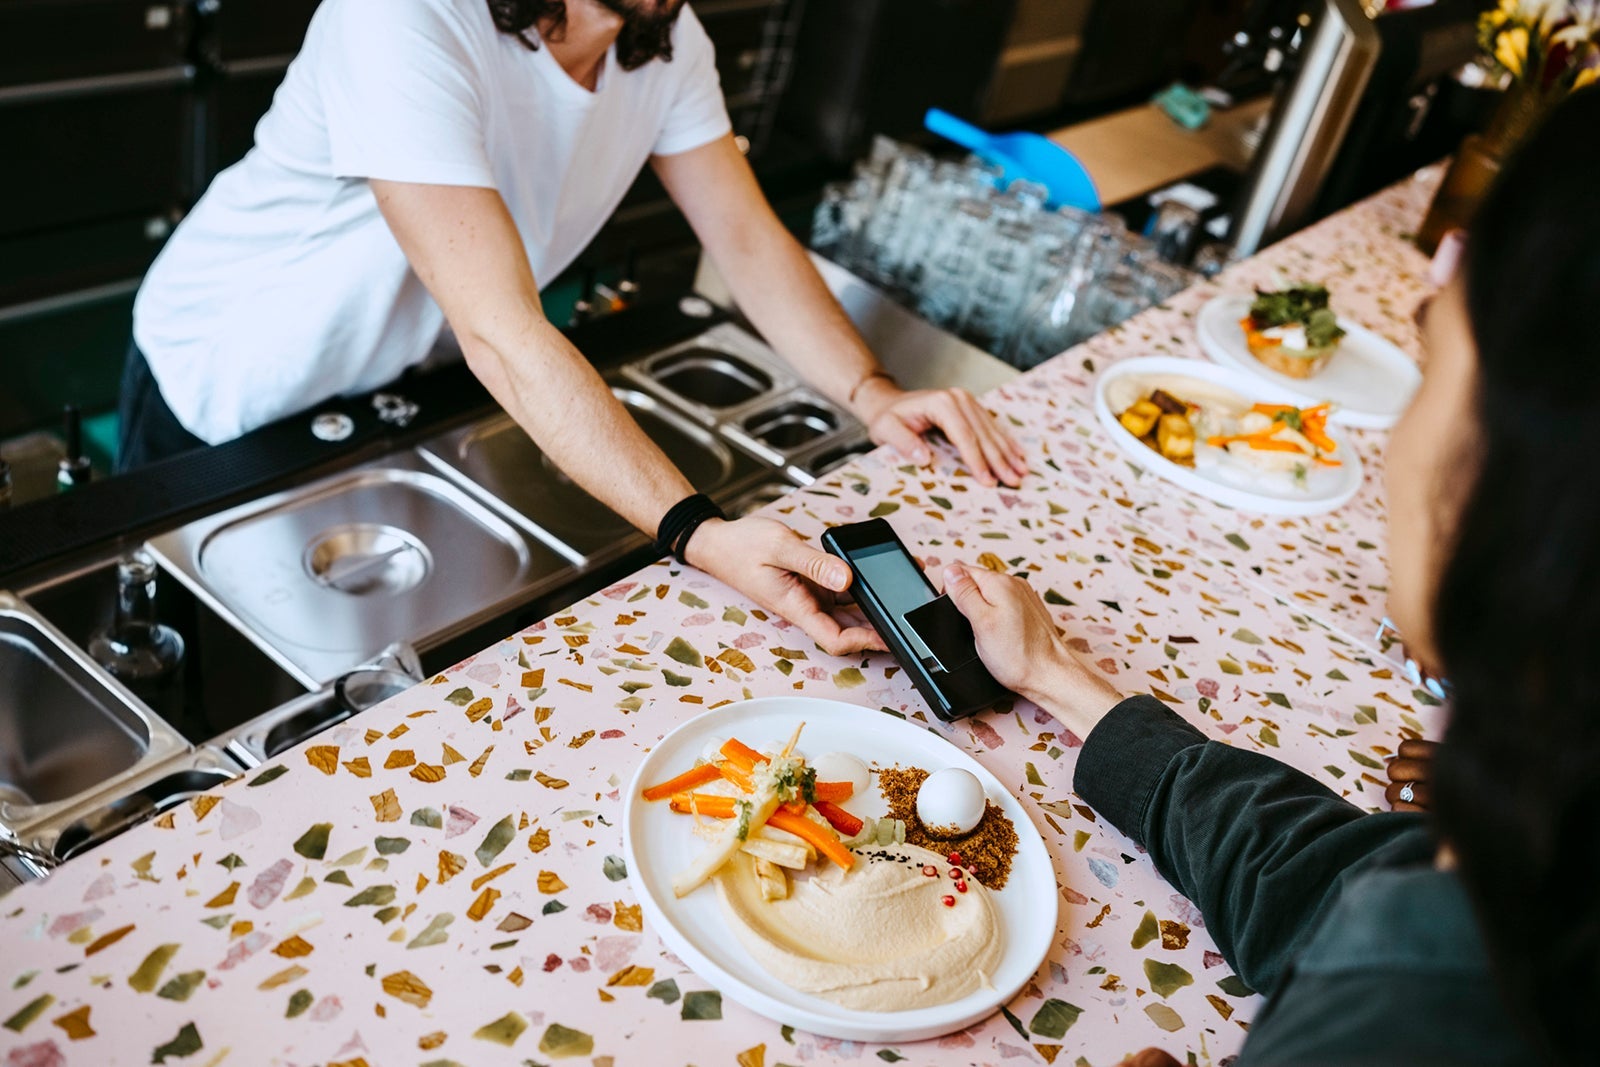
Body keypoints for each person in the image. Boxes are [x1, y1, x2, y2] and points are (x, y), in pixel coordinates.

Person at [942, 87, 1600, 1065]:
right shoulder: (1536, 867)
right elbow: (1328, 879)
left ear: (1512, 467)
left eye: (1435, 350)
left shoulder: (1417, 1019)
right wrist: (1059, 676)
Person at [124, 0, 1026, 656]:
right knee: (193, 657)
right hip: (228, 377)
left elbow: (745, 236)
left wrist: (870, 391)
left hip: (391, 388)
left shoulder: (667, 44)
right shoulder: (403, 18)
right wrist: (699, 533)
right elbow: (503, 332)